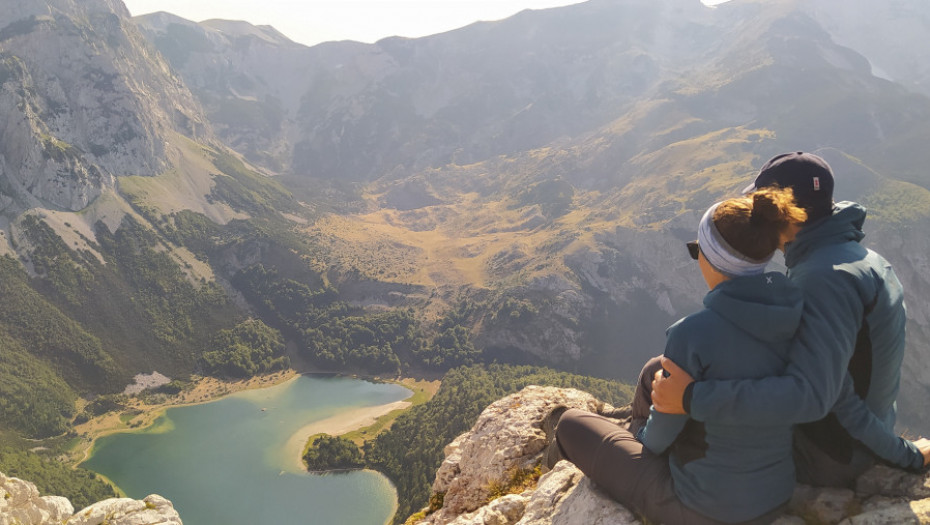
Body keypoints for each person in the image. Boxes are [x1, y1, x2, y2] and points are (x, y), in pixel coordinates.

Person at [651, 152, 930, 485]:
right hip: (856, 438)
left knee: (672, 383)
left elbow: (820, 396)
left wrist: (692, 398)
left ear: (788, 214)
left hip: (831, 454)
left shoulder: (822, 279)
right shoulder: (861, 258)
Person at [552, 188, 808, 524]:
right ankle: (628, 431)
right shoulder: (793, 312)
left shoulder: (692, 333)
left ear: (710, 259)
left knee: (569, 423)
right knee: (655, 370)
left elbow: (657, 442)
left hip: (699, 509)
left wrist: (640, 440)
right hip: (774, 493)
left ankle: (551, 481)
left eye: (697, 250)